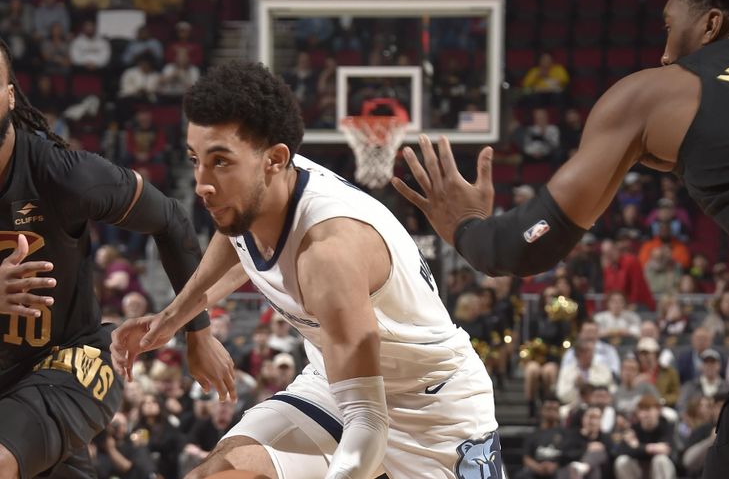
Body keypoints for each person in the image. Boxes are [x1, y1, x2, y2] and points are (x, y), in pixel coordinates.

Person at [394, 0, 729, 478]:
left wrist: (465, 227)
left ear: (710, 25)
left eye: (669, 25)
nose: (663, 50)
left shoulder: (661, 92)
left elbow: (522, 245)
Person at [110, 61, 503, 479]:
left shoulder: (329, 253)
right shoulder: (254, 194)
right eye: (195, 160)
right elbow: (236, 240)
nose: (202, 183)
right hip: (336, 386)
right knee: (214, 474)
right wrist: (176, 318)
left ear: (275, 160)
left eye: (220, 162)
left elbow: (368, 425)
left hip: (432, 411)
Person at [0, 39, 235, 478]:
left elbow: (171, 219)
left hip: (69, 361)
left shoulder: (65, 175)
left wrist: (198, 334)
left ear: (10, 94)